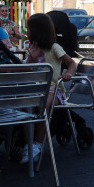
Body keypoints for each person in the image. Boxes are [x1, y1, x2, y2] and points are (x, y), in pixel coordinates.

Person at [21, 13, 78, 164]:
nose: (27, 31)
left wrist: (68, 74)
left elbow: (72, 63)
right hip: (36, 88)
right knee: (26, 106)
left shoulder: (54, 47)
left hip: (53, 89)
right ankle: (29, 144)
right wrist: (30, 59)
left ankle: (38, 143)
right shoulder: (33, 47)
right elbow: (27, 70)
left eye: (29, 28)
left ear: (38, 30)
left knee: (43, 105)